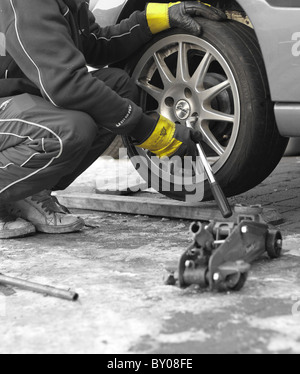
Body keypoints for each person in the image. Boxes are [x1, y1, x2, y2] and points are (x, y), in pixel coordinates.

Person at [0, 0, 225, 238]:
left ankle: (29, 191)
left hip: (15, 95)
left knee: (117, 87)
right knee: (68, 131)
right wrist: (148, 130)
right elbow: (66, 86)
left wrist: (154, 20)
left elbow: (95, 45)